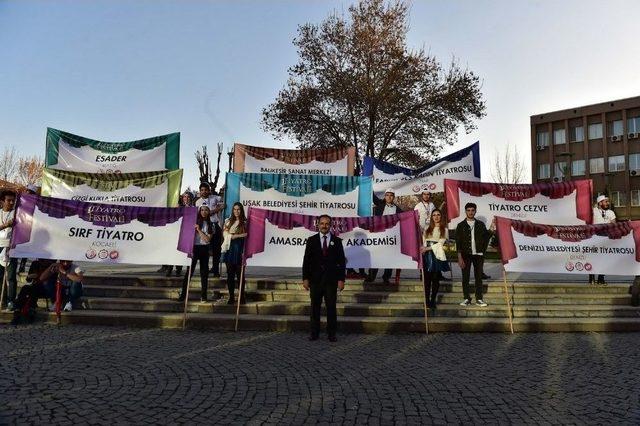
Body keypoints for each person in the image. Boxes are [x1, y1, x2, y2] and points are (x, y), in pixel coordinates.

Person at [302, 214, 346, 342]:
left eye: (327, 224)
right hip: (315, 280)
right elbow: (306, 261)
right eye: (322, 223)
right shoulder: (311, 240)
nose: (324, 226)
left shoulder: (337, 241)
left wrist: (341, 279)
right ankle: (314, 333)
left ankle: (331, 333)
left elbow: (341, 262)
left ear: (331, 225)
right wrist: (305, 278)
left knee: (331, 308)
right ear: (318, 225)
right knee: (315, 307)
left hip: (331, 281)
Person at [455, 202, 494, 307]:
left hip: (478, 254)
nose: (470, 212)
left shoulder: (480, 224)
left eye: (472, 210)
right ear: (465, 211)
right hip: (465, 254)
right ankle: (466, 298)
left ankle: (479, 299)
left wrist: (491, 228)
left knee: (478, 277)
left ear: (475, 211)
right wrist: (459, 257)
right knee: (465, 277)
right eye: (468, 210)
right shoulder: (460, 225)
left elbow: (485, 238)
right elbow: (458, 243)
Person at [367, 188, 403, 284]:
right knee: (376, 256)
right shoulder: (379, 205)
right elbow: (372, 196)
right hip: (379, 235)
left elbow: (405, 221)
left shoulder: (399, 210)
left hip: (392, 237)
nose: (389, 197)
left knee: (390, 258)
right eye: (387, 195)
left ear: (394, 197)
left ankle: (386, 277)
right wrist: (369, 184)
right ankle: (371, 276)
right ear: (385, 196)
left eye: (391, 195)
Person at [178, 205, 213, 302]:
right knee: (189, 272)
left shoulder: (211, 224)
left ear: (209, 212)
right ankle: (183, 295)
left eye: (206, 210)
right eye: (202, 210)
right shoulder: (195, 222)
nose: (204, 212)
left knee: (204, 273)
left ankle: (204, 296)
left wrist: (199, 230)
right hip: (194, 248)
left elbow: (207, 240)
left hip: (204, 249)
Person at [414, 190, 451, 282]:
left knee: (438, 253)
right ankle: (422, 274)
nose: (426, 196)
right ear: (422, 195)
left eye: (428, 194)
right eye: (424, 194)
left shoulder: (432, 205)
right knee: (424, 255)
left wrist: (443, 204)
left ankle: (438, 274)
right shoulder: (417, 206)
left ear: (429, 195)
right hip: (422, 230)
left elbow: (436, 214)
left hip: (433, 229)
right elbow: (415, 218)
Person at [420, 209, 450, 311]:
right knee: (427, 280)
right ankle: (426, 301)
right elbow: (424, 241)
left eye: (438, 215)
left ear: (441, 216)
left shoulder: (444, 229)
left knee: (435, 279)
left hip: (437, 255)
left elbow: (440, 243)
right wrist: (423, 249)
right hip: (426, 256)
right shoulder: (427, 228)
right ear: (432, 217)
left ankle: (433, 300)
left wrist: (427, 248)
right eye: (434, 215)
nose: (436, 217)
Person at [195, 182, 225, 277]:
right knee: (207, 249)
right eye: (202, 190)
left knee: (216, 249)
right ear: (200, 191)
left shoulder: (216, 198)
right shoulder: (197, 202)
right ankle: (206, 269)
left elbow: (223, 206)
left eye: (206, 190)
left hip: (215, 225)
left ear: (209, 190)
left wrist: (211, 211)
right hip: (204, 226)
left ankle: (215, 270)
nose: (204, 192)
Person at [163, 191, 195, 277]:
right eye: (185, 197)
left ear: (191, 199)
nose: (186, 199)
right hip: (176, 232)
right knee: (173, 251)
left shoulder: (194, 209)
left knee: (181, 252)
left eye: (188, 197)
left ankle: (178, 270)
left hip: (186, 234)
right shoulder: (179, 207)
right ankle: (169, 269)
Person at [221, 202, 247, 305]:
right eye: (235, 209)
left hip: (240, 249)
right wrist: (237, 236)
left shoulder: (245, 222)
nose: (236, 211)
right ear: (232, 210)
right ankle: (231, 297)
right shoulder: (228, 221)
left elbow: (247, 235)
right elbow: (225, 234)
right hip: (229, 249)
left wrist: (236, 235)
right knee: (230, 275)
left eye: (238, 209)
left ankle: (242, 296)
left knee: (240, 275)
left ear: (241, 210)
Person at [590, 194, 616, 286]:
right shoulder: (593, 211)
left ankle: (601, 278)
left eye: (607, 202)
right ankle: (591, 278)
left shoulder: (611, 212)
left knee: (604, 259)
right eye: (605, 201)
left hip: (605, 239)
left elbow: (614, 225)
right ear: (600, 203)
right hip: (594, 238)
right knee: (593, 258)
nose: (607, 203)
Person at [0, 190, 17, 311]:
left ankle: (11, 300)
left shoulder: (17, 213)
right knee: (0, 276)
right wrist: (5, 225)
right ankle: (3, 299)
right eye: (9, 200)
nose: (11, 202)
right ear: (2, 201)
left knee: (11, 276)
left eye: (13, 200)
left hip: (11, 247)